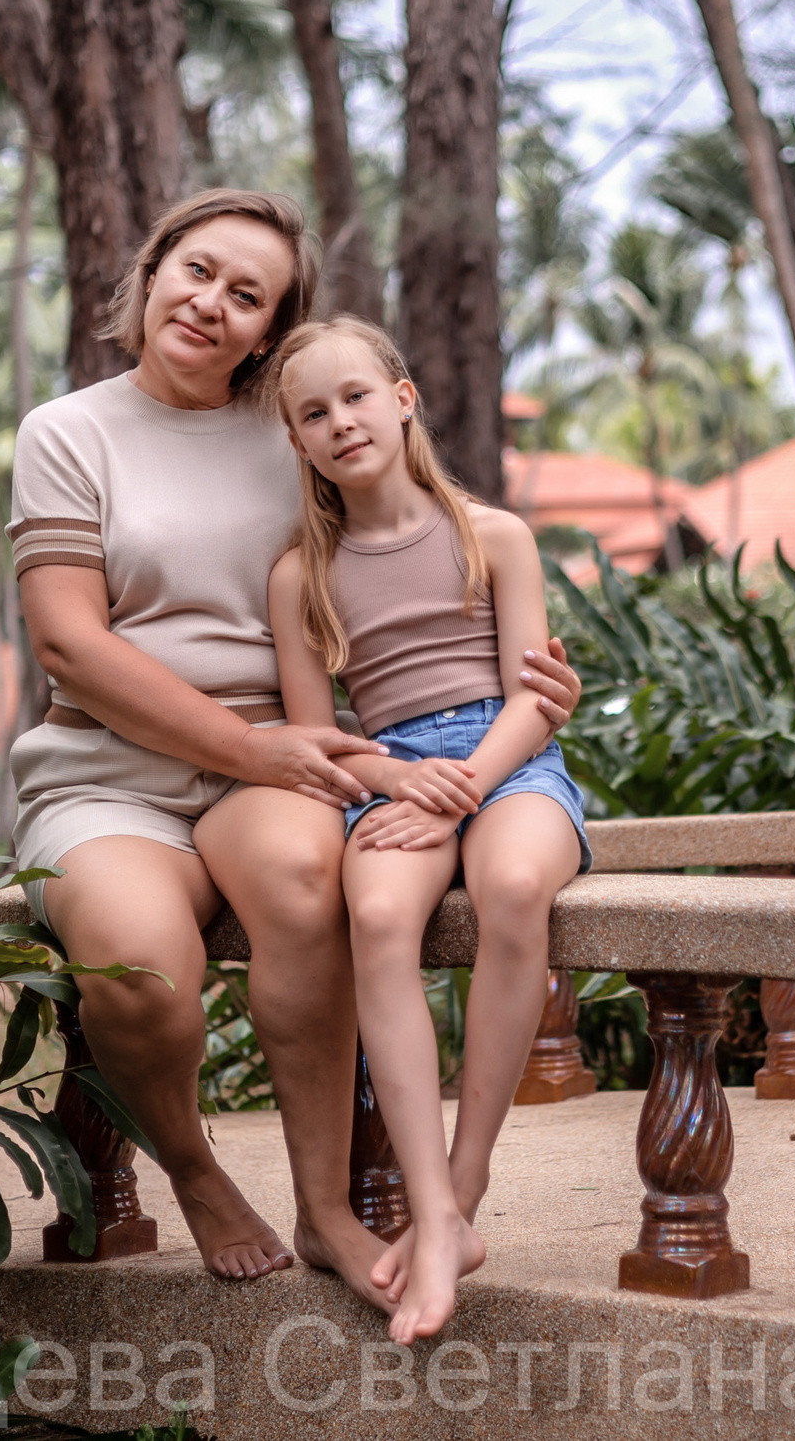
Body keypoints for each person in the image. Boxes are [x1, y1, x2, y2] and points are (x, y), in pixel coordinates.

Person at [7, 189, 581, 1304]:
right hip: (106, 771)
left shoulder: (298, 429)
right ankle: (197, 1171)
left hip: (283, 758)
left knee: (312, 878)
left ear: (269, 330)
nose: (211, 304)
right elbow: (69, 643)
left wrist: (520, 687)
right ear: (155, 269)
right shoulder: (68, 431)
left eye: (247, 295)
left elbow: (411, 551)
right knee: (139, 970)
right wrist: (255, 747)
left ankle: (324, 1207)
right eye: (198, 272)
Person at [265, 317, 591, 1344]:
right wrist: (406, 780)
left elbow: (535, 697)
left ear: (402, 399)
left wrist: (466, 783)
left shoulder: (494, 536)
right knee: (374, 914)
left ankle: (459, 1192)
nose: (340, 421)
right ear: (298, 444)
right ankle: (428, 1201)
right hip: (391, 773)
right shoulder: (299, 576)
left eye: (356, 396)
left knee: (512, 890)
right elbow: (318, 735)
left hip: (510, 763)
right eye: (313, 413)